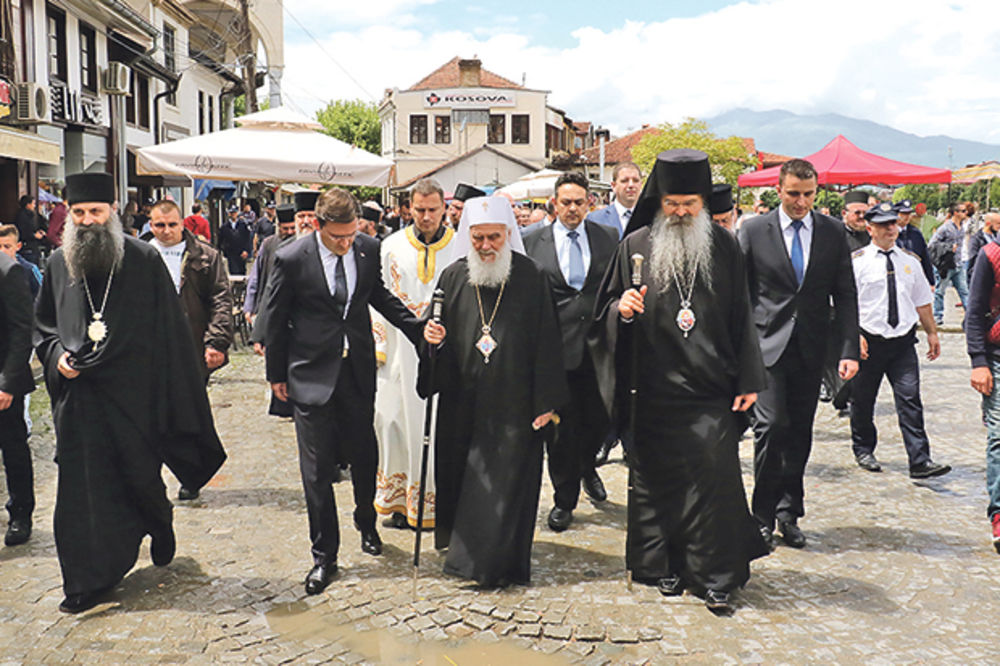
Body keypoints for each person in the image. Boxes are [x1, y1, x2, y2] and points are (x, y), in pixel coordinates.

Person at [34, 172, 226, 613]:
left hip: (133, 397)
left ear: (113, 211)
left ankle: (159, 522)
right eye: (78, 213)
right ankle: (85, 580)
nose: (86, 221)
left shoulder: (141, 260)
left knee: (140, 478)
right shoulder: (57, 264)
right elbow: (43, 327)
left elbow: (170, 334)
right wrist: (57, 356)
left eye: (95, 212)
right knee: (80, 491)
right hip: (79, 400)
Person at [592, 149, 768, 613]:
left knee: (716, 483)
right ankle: (664, 566)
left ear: (704, 203)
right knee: (658, 484)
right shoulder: (636, 245)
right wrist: (620, 311)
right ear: (660, 199)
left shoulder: (725, 246)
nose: (682, 211)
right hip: (652, 390)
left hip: (711, 389)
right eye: (673, 203)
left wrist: (749, 378)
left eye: (691, 203)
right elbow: (602, 313)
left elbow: (742, 317)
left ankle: (716, 576)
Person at [263, 187, 424, 595]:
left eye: (351, 234)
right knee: (316, 473)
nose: (346, 242)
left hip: (357, 372)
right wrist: (275, 375)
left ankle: (366, 522)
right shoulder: (291, 258)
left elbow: (380, 298)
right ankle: (325, 557)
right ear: (318, 226)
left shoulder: (367, 249)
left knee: (364, 456)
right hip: (309, 374)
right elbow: (276, 318)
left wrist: (419, 332)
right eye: (338, 237)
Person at [421, 196, 567, 587]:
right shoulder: (453, 277)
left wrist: (546, 402)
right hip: (463, 402)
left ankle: (496, 566)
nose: (486, 246)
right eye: (479, 238)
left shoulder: (533, 276)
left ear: (508, 234)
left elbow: (550, 342)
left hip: (515, 405)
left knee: (507, 489)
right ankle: (468, 559)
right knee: (468, 482)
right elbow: (434, 332)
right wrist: (431, 339)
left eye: (494, 238)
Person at [739, 158, 859, 550]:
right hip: (766, 347)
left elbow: (844, 293)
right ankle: (761, 515)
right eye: (793, 194)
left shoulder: (832, 231)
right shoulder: (754, 230)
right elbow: (739, 296)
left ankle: (789, 513)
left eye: (808, 194)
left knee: (799, 434)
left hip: (811, 348)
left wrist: (848, 348)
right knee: (771, 427)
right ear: (779, 190)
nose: (801, 202)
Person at [523, 172, 616, 532]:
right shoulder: (533, 241)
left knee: (597, 424)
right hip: (553, 351)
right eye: (566, 202)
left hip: (598, 348)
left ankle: (587, 467)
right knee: (560, 432)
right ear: (554, 203)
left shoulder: (608, 238)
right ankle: (565, 499)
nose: (573, 208)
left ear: (590, 203)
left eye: (579, 202)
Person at [372, 178, 456, 531]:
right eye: (419, 210)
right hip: (397, 355)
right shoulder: (390, 246)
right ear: (409, 208)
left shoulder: (461, 247)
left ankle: (438, 502)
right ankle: (398, 500)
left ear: (443, 209)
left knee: (438, 427)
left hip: (445, 352)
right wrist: (379, 348)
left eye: (432, 210)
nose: (425, 217)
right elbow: (376, 301)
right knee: (391, 420)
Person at [849, 203, 950, 478]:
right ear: (870, 229)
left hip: (902, 343)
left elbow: (922, 301)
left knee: (910, 399)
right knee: (862, 400)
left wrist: (931, 332)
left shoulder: (910, 261)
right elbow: (846, 305)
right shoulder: (856, 262)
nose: (891, 229)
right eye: (883, 225)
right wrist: (853, 336)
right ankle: (864, 449)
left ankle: (919, 460)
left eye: (893, 223)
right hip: (868, 342)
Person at [145, 200, 234, 500]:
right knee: (149, 414)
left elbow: (222, 299)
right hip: (149, 347)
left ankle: (191, 472)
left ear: (182, 223)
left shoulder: (205, 256)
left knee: (188, 411)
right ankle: (149, 473)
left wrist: (216, 341)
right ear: (150, 224)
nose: (166, 231)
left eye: (172, 224)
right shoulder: (139, 254)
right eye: (160, 225)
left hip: (191, 345)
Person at [0, 240, 35, 547]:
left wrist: (7, 383)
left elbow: (22, 330)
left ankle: (21, 513)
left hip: (3, 380)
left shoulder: (9, 271)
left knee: (13, 448)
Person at [967, 232, 1000, 554]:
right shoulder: (991, 255)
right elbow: (974, 311)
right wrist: (978, 361)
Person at [928, 203, 969, 325]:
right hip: (946, 266)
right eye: (963, 211)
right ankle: (937, 317)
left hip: (958, 264)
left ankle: (971, 316)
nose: (965, 213)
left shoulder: (962, 226)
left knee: (964, 291)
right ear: (956, 213)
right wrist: (949, 247)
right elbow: (932, 244)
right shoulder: (945, 228)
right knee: (940, 291)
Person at [587, 161, 642, 239]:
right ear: (613, 186)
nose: (631, 185)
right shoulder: (595, 220)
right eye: (624, 181)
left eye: (635, 180)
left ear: (641, 184)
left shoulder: (650, 218)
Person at [894, 199, 934, 286]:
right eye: (903, 214)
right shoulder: (889, 233)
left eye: (909, 213)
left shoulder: (915, 233)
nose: (907, 216)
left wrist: (931, 281)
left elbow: (925, 257)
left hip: (914, 279)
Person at [0, 225, 43, 298]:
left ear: (18, 246)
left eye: (7, 247)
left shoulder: (30, 270)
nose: (2, 251)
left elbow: (43, 296)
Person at [218, 204, 253, 276]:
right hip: (231, 253)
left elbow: (248, 238)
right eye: (231, 213)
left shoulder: (243, 225)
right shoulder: (224, 226)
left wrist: (246, 250)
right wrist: (222, 251)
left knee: (242, 271)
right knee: (233, 271)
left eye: (234, 212)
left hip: (241, 252)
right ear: (229, 214)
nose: (233, 214)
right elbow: (220, 240)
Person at [966, 212, 1000, 284]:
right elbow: (973, 261)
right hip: (983, 279)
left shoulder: (997, 238)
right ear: (988, 223)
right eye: (998, 224)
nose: (999, 226)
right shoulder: (975, 240)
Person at [13, 195, 43, 266]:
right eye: (33, 203)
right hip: (27, 247)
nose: (34, 206)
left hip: (32, 246)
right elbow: (23, 232)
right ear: (28, 205)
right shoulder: (22, 216)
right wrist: (34, 235)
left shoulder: (31, 215)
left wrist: (39, 232)